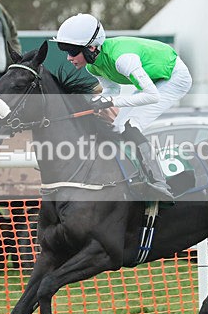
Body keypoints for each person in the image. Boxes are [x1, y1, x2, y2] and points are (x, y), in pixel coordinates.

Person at [52, 13, 193, 201]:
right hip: (155, 79)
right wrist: (97, 101)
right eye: (66, 52)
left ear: (91, 47)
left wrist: (110, 102)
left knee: (131, 125)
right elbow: (112, 89)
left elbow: (152, 95)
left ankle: (159, 183)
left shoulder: (123, 59)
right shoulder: (92, 66)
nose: (69, 58)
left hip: (174, 77)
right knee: (117, 126)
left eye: (72, 51)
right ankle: (130, 174)